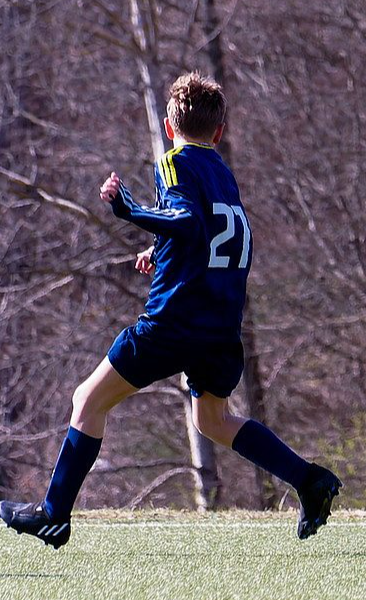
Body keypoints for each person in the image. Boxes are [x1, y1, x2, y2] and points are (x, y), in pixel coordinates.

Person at [0, 72, 341, 549]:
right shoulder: (222, 171)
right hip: (222, 327)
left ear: (167, 126)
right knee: (213, 421)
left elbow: (185, 219)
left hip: (174, 322)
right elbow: (213, 233)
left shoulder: (175, 162)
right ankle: (310, 480)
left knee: (87, 401)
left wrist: (131, 210)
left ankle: (54, 515)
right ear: (218, 132)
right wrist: (162, 250)